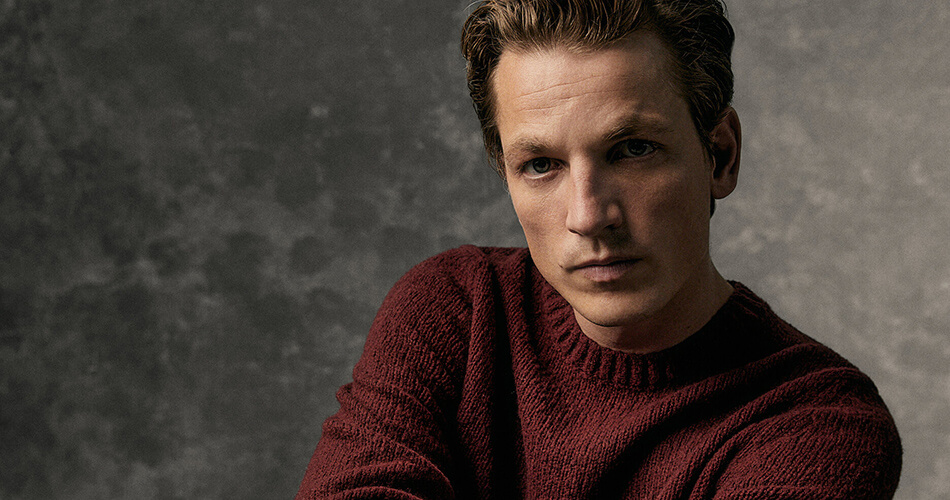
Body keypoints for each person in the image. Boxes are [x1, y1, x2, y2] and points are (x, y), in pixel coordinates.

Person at [295, 0, 902, 498]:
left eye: (633, 150)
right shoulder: (454, 310)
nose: (588, 216)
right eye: (540, 165)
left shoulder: (819, 423)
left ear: (720, 155)